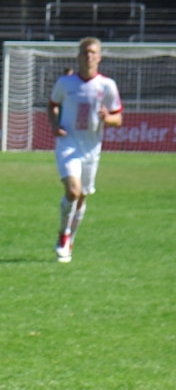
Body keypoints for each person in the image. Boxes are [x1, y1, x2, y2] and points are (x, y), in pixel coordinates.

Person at [47, 37, 122, 263]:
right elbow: (52, 105)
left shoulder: (107, 85)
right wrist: (54, 125)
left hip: (91, 149)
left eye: (92, 52)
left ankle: (70, 239)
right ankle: (63, 234)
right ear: (78, 56)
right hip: (68, 144)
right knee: (73, 191)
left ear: (99, 57)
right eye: (85, 52)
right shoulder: (65, 83)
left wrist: (107, 118)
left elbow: (118, 118)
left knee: (82, 198)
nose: (89, 56)